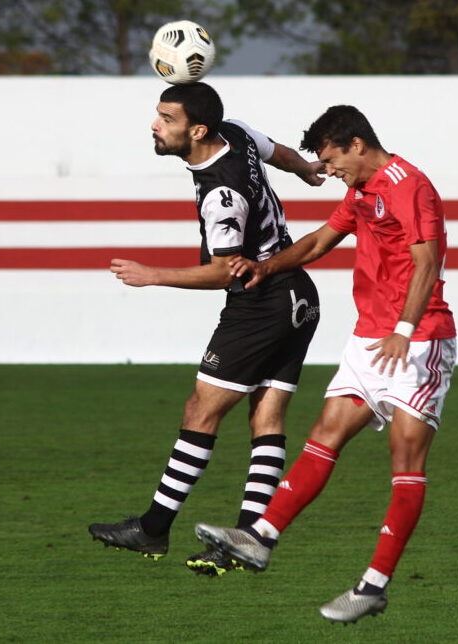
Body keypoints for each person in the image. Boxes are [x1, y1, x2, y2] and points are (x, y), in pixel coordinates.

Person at [193, 105, 457, 624]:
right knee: (325, 433)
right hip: (368, 342)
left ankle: (374, 585)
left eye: (333, 161)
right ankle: (260, 538)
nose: (330, 171)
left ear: (357, 144)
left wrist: (404, 331)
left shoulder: (410, 186)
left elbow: (428, 262)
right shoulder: (361, 191)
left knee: (405, 460)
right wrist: (264, 267)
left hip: (419, 341)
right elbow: (319, 240)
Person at [88, 82, 323, 577]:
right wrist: (304, 169)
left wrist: (153, 276)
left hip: (259, 301)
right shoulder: (233, 131)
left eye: (166, 118)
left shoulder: (222, 194)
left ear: (196, 131)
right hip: (298, 294)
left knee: (202, 408)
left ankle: (153, 527)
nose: (155, 125)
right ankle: (248, 537)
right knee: (267, 415)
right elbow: (272, 148)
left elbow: (225, 270)